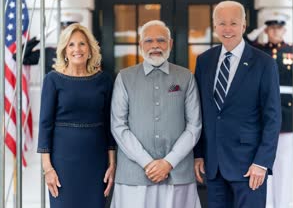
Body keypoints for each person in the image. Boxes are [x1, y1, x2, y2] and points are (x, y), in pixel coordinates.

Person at [193, 1, 281, 208]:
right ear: (214, 27)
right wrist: (198, 154)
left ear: (244, 25)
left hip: (250, 166)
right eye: (222, 23)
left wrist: (262, 162)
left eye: (233, 23)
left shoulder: (264, 63)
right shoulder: (204, 61)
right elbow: (200, 112)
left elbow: (273, 117)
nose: (227, 29)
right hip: (213, 166)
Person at [110, 20, 202, 208]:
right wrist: (147, 163)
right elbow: (118, 126)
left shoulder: (186, 77)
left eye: (161, 40)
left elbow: (194, 126)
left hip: (177, 173)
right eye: (149, 41)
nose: (155, 46)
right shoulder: (124, 78)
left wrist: (168, 162)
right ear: (140, 45)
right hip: (134, 175)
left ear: (170, 43)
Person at [37, 23, 116, 208]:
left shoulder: (104, 80)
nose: (77, 49)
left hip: (96, 163)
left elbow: (109, 125)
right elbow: (45, 125)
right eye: (71, 44)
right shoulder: (53, 80)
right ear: (64, 50)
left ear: (90, 49)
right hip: (62, 164)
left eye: (82, 44)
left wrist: (112, 164)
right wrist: (47, 168)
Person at [247, 11, 293, 208]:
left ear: (284, 29)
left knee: (283, 166)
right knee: (262, 164)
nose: (276, 31)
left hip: (286, 117)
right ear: (267, 29)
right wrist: (256, 32)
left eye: (279, 28)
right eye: (272, 28)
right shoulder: (258, 50)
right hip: (261, 117)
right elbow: (242, 44)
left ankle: (281, 204)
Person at [13, 12, 83, 73]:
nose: (68, 34)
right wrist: (37, 38)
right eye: (64, 29)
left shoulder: (84, 53)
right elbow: (18, 57)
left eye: (71, 31)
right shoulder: (48, 52)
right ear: (61, 32)